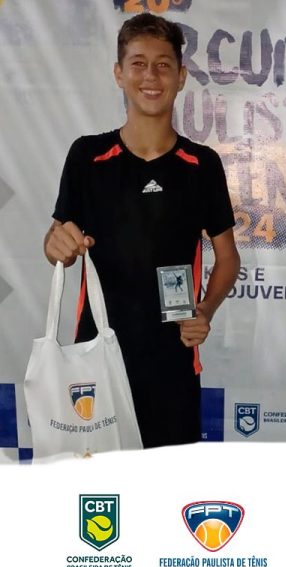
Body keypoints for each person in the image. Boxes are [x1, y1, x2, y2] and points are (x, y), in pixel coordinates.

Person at [43, 14, 240, 449]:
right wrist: (58, 245)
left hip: (173, 363)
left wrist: (205, 311)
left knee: (167, 486)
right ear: (119, 73)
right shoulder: (87, 156)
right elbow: (56, 243)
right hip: (96, 360)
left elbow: (228, 258)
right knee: (98, 487)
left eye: (163, 65)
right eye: (138, 63)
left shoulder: (202, 165)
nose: (151, 76)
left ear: (181, 77)